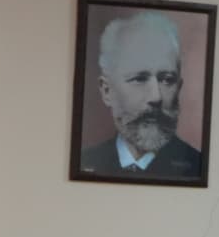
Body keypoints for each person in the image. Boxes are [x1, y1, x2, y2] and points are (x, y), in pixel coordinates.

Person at [77, 10, 203, 179]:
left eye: (167, 80)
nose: (156, 97)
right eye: (139, 79)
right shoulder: (86, 162)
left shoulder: (197, 167)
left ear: (178, 88)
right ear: (107, 91)